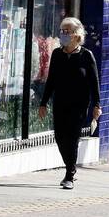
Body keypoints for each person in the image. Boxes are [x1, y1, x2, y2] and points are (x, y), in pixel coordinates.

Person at [38, 17, 101, 190]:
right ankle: (70, 166)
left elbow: (94, 83)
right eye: (61, 31)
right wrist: (43, 103)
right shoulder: (57, 54)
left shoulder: (86, 56)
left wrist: (97, 105)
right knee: (60, 137)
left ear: (76, 34)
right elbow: (51, 80)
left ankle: (69, 175)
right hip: (60, 103)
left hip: (79, 105)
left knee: (72, 139)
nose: (63, 34)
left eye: (66, 31)